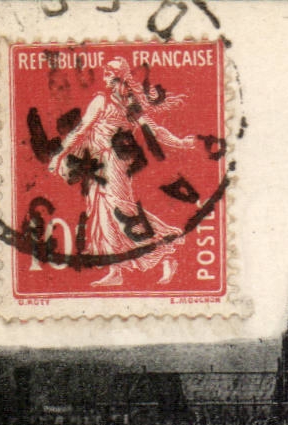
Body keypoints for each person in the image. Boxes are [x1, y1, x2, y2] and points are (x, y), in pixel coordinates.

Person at [46, 58, 197, 286]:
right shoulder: (101, 100)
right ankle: (116, 271)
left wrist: (180, 143)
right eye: (105, 74)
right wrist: (60, 155)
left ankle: (165, 254)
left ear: (117, 77)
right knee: (102, 214)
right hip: (97, 165)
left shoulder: (130, 104)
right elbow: (81, 131)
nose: (105, 78)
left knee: (121, 209)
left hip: (115, 163)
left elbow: (153, 130)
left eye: (108, 74)